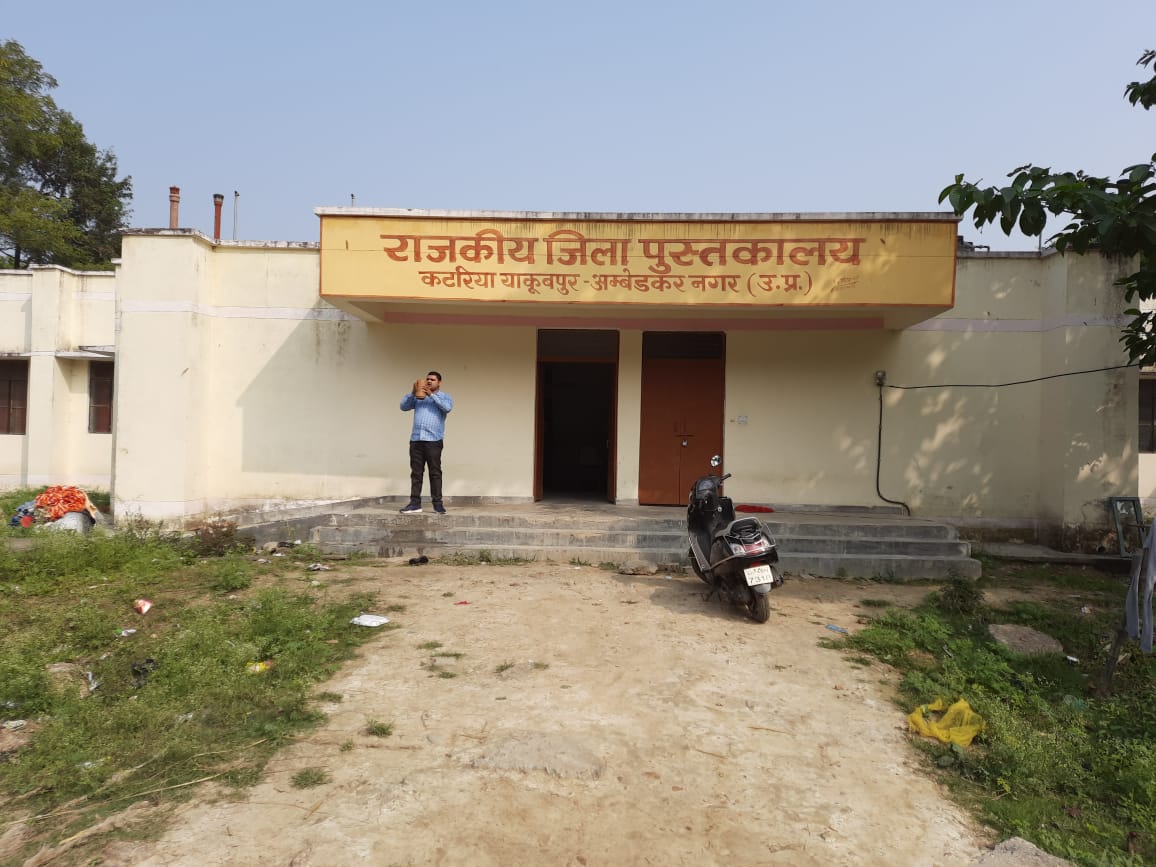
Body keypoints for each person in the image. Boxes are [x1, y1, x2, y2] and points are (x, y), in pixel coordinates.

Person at [399, 370, 453, 514]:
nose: (429, 381)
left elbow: (447, 408)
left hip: (433, 440)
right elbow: (403, 407)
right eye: (427, 379)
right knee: (416, 473)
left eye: (432, 380)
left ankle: (437, 504)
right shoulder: (417, 397)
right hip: (416, 439)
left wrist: (431, 395)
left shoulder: (444, 397)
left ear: (439, 382)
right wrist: (412, 392)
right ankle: (415, 503)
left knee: (435, 473)